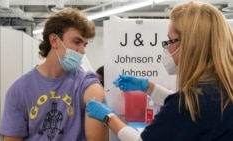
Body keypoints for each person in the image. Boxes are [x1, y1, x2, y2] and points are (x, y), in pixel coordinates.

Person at [86, 1, 233, 141]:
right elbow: (198, 110)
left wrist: (108, 116)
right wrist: (148, 87)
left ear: (190, 44)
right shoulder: (223, 89)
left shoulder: (190, 104)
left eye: (170, 41)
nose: (167, 48)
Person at [0, 8, 108, 141]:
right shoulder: (19, 90)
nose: (83, 50)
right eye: (77, 42)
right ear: (54, 40)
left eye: (85, 44)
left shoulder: (87, 84)